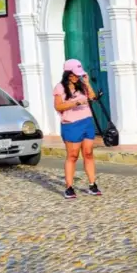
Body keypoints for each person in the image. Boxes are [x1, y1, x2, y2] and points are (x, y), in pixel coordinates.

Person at [53, 59, 101, 199]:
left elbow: (93, 98)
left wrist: (87, 83)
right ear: (68, 74)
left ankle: (92, 184)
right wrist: (76, 102)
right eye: (75, 74)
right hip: (71, 124)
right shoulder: (59, 88)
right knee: (73, 156)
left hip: (86, 122)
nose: (77, 77)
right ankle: (69, 187)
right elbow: (58, 106)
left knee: (88, 153)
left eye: (78, 74)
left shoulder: (82, 85)